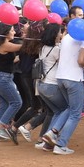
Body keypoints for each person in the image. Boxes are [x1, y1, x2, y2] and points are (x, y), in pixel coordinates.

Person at [42, 20, 84, 155]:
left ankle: (51, 136)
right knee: (76, 113)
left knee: (69, 108)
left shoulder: (66, 37)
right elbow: (81, 60)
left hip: (61, 77)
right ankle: (61, 144)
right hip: (74, 78)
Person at [0, 22, 23, 144]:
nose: (14, 32)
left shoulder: (2, 44)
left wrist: (19, 58)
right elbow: (21, 47)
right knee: (16, 102)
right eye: (12, 30)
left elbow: (10, 60)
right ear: (5, 33)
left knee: (3, 105)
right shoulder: (5, 44)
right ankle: (1, 127)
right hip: (2, 78)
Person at [34, 23, 65, 152]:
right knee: (66, 109)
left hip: (40, 85)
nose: (60, 34)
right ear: (54, 34)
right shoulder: (57, 50)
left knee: (57, 111)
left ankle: (46, 138)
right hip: (51, 84)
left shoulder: (42, 48)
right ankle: (51, 134)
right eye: (59, 32)